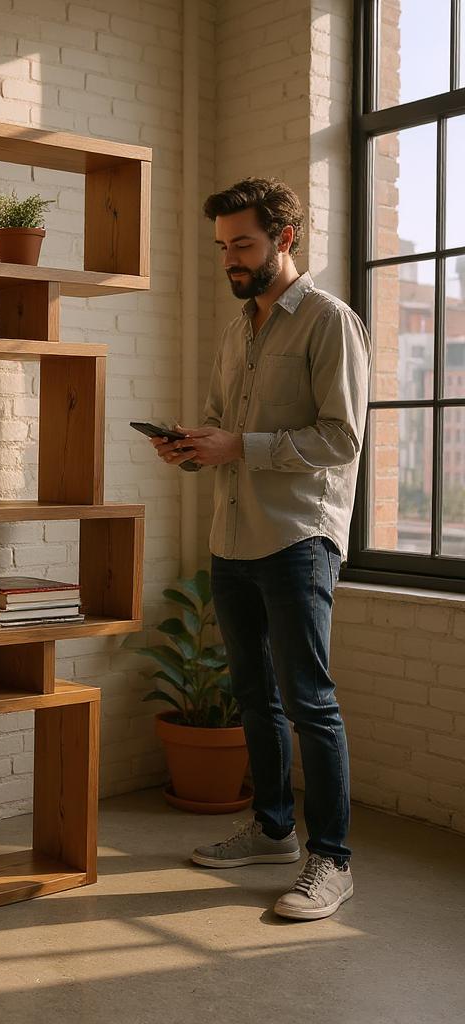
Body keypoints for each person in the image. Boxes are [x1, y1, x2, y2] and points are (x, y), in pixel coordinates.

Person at [148, 177, 371, 921]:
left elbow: (341, 439)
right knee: (255, 697)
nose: (230, 260)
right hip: (232, 536)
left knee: (311, 703)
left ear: (285, 238)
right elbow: (221, 420)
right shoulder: (238, 329)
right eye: (222, 247)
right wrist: (194, 446)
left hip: (298, 537)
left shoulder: (330, 322)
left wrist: (242, 444)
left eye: (242, 244)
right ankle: (275, 829)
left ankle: (331, 861)